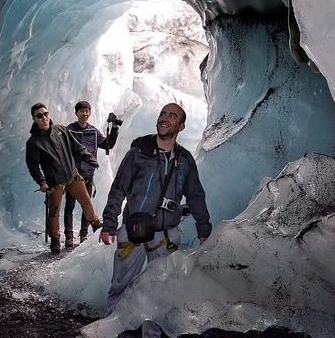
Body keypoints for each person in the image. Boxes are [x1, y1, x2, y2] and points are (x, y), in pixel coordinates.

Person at [99, 103, 211, 338]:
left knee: (160, 289)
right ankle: (113, 329)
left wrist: (204, 228)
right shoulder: (138, 153)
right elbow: (118, 188)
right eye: (162, 114)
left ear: (180, 126)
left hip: (165, 234)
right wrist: (109, 223)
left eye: (172, 116)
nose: (165, 118)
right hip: (133, 231)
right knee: (121, 284)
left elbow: (195, 195)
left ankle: (152, 334)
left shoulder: (185, 160)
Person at [25, 102, 102, 254]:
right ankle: (55, 239)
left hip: (72, 175)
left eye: (45, 114)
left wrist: (89, 158)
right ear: (34, 119)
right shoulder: (33, 142)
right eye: (39, 116)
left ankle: (96, 225)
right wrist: (41, 181)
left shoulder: (61, 130)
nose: (44, 117)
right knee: (54, 211)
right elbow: (33, 165)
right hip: (54, 182)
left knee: (86, 201)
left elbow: (77, 146)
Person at [64, 100, 120, 247]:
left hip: (88, 174)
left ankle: (83, 234)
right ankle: (69, 236)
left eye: (87, 111)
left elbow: (108, 144)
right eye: (81, 111)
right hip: (72, 174)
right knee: (69, 206)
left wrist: (114, 128)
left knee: (85, 205)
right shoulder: (69, 130)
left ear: (90, 113)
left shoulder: (93, 132)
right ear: (76, 113)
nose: (84, 114)